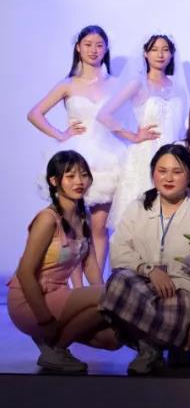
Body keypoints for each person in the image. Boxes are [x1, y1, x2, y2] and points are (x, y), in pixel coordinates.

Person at [102, 144, 190, 375]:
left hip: (180, 295)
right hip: (143, 289)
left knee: (172, 308)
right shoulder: (138, 207)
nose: (168, 178)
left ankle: (165, 344)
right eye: (162, 171)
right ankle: (151, 349)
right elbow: (118, 250)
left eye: (177, 172)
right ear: (153, 174)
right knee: (118, 282)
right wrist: (149, 269)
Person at [27, 25, 125, 278]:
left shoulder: (117, 84)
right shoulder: (68, 84)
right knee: (73, 225)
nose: (94, 50)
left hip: (108, 156)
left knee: (100, 227)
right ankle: (74, 287)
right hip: (76, 157)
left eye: (99, 45)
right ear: (78, 48)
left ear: (106, 49)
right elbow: (35, 113)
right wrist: (60, 134)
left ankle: (97, 285)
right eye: (88, 44)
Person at [8, 151, 119, 373]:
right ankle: (56, 349)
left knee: (112, 339)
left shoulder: (83, 215)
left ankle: (51, 345)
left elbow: (90, 265)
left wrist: (107, 302)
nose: (79, 181)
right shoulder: (47, 219)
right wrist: (44, 319)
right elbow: (25, 273)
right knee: (112, 295)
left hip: (59, 294)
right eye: (70, 176)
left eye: (84, 175)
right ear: (54, 181)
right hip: (31, 301)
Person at [101, 34, 189, 222]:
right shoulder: (138, 83)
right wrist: (132, 136)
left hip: (174, 154)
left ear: (172, 54)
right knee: (142, 215)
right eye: (154, 49)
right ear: (145, 54)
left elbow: (181, 124)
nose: (160, 54)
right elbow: (104, 115)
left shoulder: (178, 87)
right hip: (146, 154)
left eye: (165, 50)